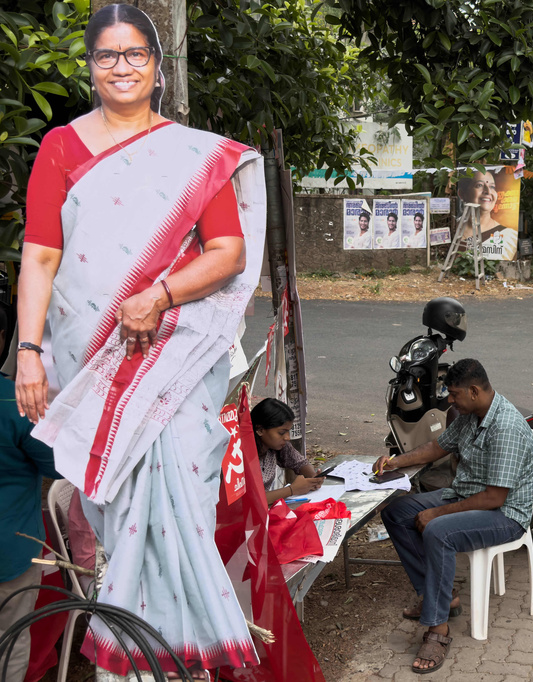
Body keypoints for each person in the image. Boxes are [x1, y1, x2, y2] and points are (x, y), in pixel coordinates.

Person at [16, 4, 264, 675]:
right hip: (84, 361)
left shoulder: (193, 156)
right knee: (110, 516)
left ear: (156, 69)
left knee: (179, 493)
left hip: (167, 366)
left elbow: (229, 254)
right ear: (90, 68)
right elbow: (40, 256)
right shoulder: (61, 149)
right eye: (107, 56)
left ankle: (173, 661)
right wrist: (29, 351)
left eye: (136, 55)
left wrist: (160, 294)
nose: (121, 67)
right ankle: (125, 659)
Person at [375, 359, 533, 674]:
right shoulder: (471, 414)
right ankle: (441, 597)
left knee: (438, 530)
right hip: (466, 495)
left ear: (474, 391)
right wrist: (395, 462)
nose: (449, 400)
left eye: (454, 394)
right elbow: (438, 447)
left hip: (504, 514)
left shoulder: (505, 426)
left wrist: (437, 512)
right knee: (396, 512)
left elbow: (494, 497)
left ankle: (438, 630)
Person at [0, 375, 60, 682]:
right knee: (11, 640)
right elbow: (56, 464)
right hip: (12, 552)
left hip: (14, 551)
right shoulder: (17, 399)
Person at [251, 397, 323, 505]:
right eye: (281, 432)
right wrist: (292, 490)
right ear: (260, 430)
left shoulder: (276, 446)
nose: (287, 437)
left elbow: (299, 462)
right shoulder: (242, 455)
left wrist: (313, 477)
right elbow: (249, 500)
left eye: (288, 431)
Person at [457, 170, 517, 259]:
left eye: (492, 187)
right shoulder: (453, 227)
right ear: (462, 194)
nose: (488, 191)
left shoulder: (510, 236)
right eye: (479, 185)